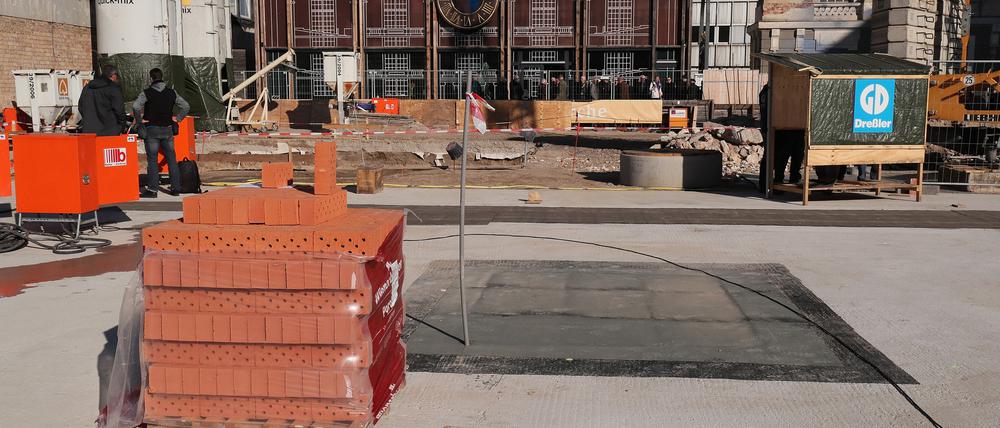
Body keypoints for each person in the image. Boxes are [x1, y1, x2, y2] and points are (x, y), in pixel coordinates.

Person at [132, 68, 190, 198]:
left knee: (152, 160)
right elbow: (186, 106)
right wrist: (178, 118)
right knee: (171, 160)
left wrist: (139, 120)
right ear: (162, 77)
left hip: (152, 129)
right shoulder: (171, 93)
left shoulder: (147, 93)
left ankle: (153, 190)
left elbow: (136, 106)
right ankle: (175, 188)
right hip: (167, 130)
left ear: (151, 78)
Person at [79, 64, 127, 136]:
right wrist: (122, 126)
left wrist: (88, 120)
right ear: (113, 75)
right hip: (110, 132)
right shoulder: (113, 88)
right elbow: (119, 110)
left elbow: (81, 107)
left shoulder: (87, 87)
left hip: (89, 132)